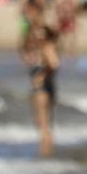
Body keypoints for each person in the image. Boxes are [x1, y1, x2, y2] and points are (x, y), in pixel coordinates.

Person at [30, 24, 61, 158]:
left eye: (40, 33)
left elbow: (54, 64)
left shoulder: (47, 47)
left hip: (43, 90)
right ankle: (46, 152)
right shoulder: (43, 48)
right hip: (45, 89)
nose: (37, 36)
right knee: (44, 123)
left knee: (43, 124)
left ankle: (45, 153)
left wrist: (43, 75)